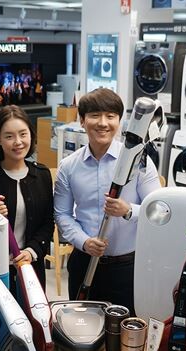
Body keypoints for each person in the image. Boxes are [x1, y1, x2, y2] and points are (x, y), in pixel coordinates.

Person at [54, 88, 161, 313]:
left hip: (128, 268)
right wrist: (84, 242)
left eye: (110, 116)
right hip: (84, 264)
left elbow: (160, 210)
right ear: (82, 120)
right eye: (95, 115)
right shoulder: (69, 166)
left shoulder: (139, 161)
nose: (103, 123)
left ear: (119, 121)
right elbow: (62, 214)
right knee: (83, 327)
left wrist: (128, 210)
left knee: (125, 329)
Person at [0, 105, 54, 295]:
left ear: (31, 135)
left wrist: (31, 252)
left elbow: (48, 223)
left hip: (31, 268)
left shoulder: (42, 175)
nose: (18, 142)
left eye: (23, 134)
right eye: (9, 136)